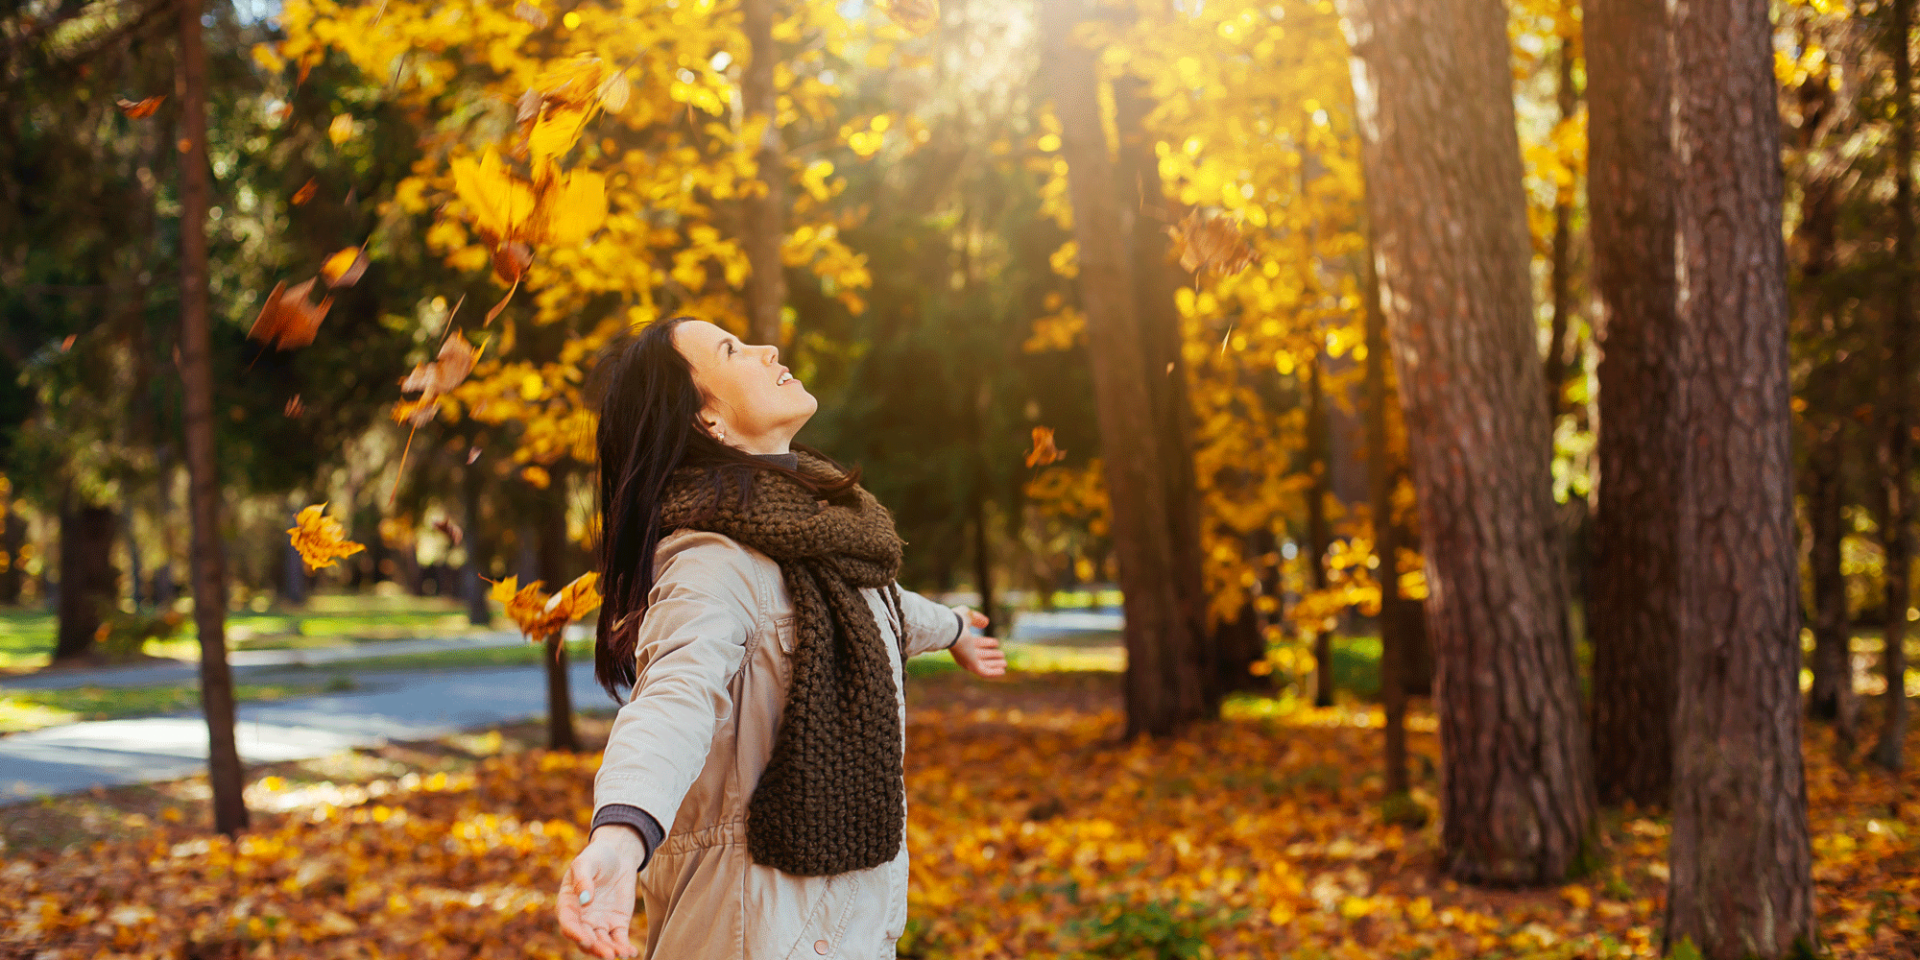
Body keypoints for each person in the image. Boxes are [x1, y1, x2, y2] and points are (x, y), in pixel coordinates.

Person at [556, 317, 1007, 959]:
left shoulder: (824, 537)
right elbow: (673, 699)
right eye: (731, 351)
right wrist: (621, 834)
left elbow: (888, 610)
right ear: (704, 420)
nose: (768, 350)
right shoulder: (710, 560)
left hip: (846, 920)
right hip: (756, 925)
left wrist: (957, 628)